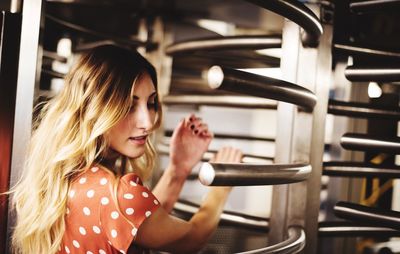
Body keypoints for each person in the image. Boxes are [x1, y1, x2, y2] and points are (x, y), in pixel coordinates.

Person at [10, 44, 242, 254]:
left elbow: (139, 223)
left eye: (151, 104)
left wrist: (178, 169)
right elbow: (192, 238)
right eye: (129, 106)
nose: (148, 122)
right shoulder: (116, 195)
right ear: (95, 109)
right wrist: (221, 186)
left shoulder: (72, 178)